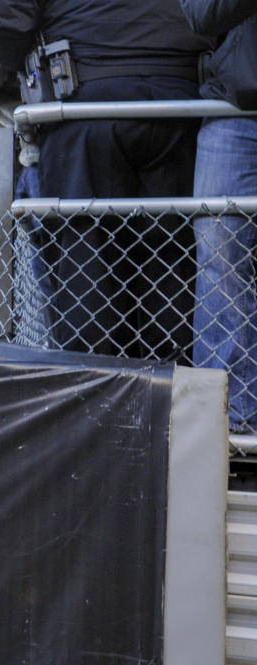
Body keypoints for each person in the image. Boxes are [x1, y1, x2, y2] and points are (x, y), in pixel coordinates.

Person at [0, 0, 213, 360]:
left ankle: (98, 397)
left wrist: (28, 61)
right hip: (179, 99)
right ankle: (170, 397)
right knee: (169, 268)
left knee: (87, 271)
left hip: (83, 103)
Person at [179, 0, 257, 435]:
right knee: (218, 258)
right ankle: (229, 426)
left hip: (236, 105)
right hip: (238, 107)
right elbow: (200, 13)